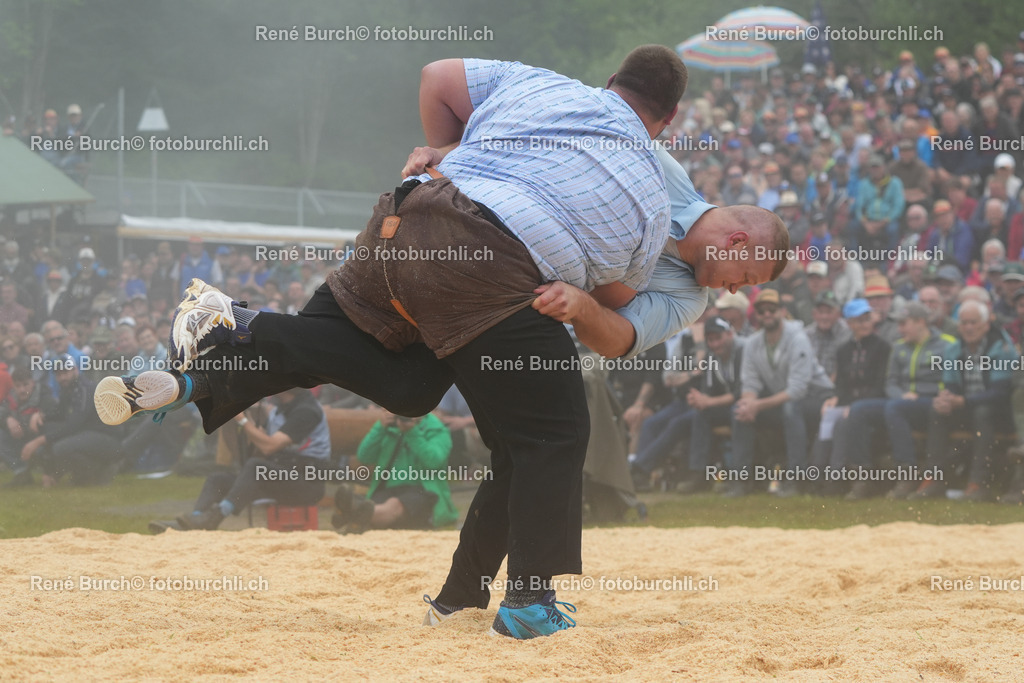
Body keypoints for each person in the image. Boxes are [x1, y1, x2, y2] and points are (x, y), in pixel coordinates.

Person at [97, 48, 788, 640]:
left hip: (406, 216)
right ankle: (530, 602)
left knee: (403, 381)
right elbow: (617, 297)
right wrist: (578, 289)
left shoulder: (556, 95)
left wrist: (447, 153)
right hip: (487, 264)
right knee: (553, 432)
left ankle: (214, 356)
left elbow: (440, 77)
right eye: (744, 276)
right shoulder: (647, 165)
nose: (733, 293)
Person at [149, 387, 330, 532]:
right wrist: (244, 415)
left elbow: (269, 446)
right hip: (280, 475)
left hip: (306, 483)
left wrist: (242, 420)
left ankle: (216, 516)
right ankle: (194, 520)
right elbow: (263, 442)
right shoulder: (279, 405)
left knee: (255, 467)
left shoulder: (306, 410)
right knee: (218, 479)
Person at [726, 289, 834, 497]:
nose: (767, 314)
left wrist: (758, 405)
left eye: (772, 310)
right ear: (755, 314)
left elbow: (798, 389)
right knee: (739, 410)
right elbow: (750, 384)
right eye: (761, 310)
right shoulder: (752, 343)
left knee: (791, 409)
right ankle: (742, 480)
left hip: (819, 399)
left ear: (783, 312)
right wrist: (749, 404)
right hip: (784, 400)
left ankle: (797, 479)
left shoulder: (798, 338)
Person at [911, 301, 1015, 501]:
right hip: (966, 406)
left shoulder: (1001, 346)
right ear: (958, 326)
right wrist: (946, 399)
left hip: (999, 411)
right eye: (964, 323)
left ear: (985, 324)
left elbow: (1000, 392)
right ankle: (934, 479)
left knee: (983, 412)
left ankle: (978, 483)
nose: (968, 327)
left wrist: (963, 401)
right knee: (937, 411)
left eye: (973, 322)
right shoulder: (954, 349)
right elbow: (950, 386)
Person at [812, 299, 891, 497]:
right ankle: (816, 474)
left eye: (866, 319)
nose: (864, 324)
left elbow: (881, 385)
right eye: (858, 320)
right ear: (849, 324)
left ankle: (841, 479)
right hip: (851, 403)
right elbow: (842, 385)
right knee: (829, 416)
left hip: (875, 402)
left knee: (845, 422)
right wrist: (835, 398)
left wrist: (855, 405)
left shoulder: (883, 347)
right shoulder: (843, 350)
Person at [333, 411, 457, 532]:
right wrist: (379, 428)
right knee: (373, 504)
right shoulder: (390, 427)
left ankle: (350, 510)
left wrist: (412, 432)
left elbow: (434, 461)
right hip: (387, 489)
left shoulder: (436, 429)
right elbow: (364, 457)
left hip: (424, 491)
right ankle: (357, 512)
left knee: (394, 505)